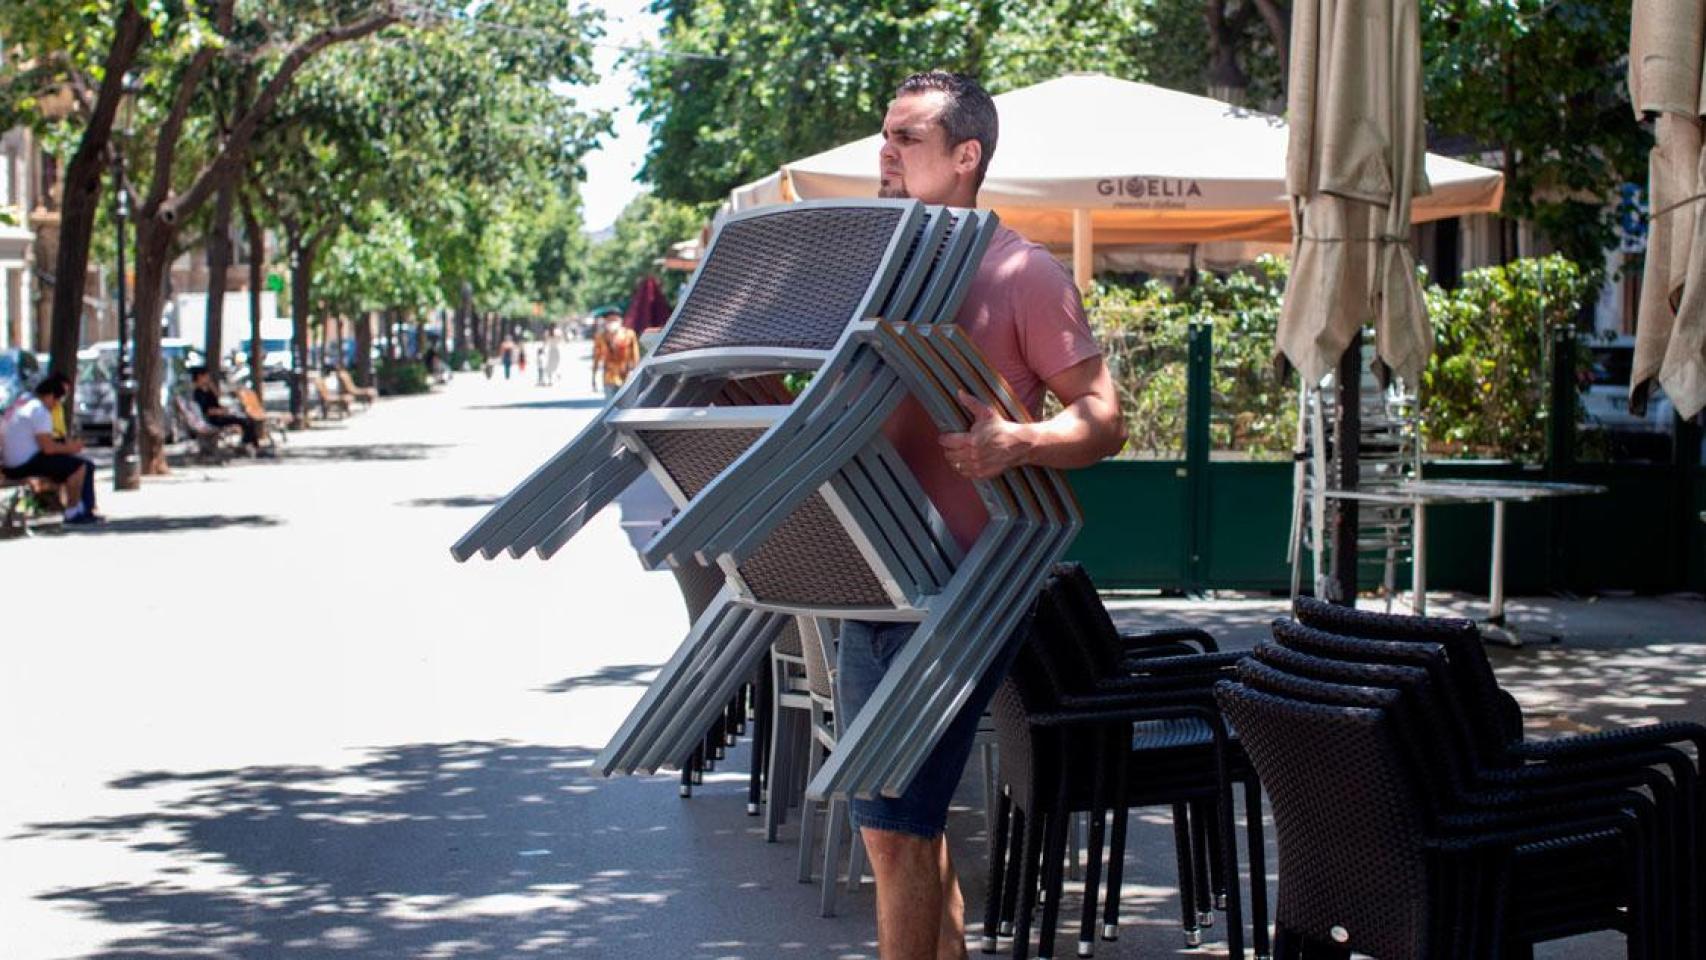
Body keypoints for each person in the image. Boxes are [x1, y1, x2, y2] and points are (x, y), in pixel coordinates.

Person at [841, 71, 1126, 960]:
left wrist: (1021, 440)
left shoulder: (1022, 273)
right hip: (872, 573)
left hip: (972, 588)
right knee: (898, 826)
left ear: (967, 158)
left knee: (893, 824)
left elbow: (1105, 418)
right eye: (883, 136)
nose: (885, 152)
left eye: (907, 139)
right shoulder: (875, 268)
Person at [1, 373, 102, 524]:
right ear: (50, 396)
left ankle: (84, 508)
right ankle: (74, 511)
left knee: (76, 464)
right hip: (25, 463)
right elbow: (48, 448)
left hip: (10, 463)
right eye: (57, 400)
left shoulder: (21, 402)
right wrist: (71, 448)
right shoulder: (39, 410)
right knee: (80, 466)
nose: (56, 405)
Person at [189, 367, 263, 454]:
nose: (208, 378)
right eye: (206, 376)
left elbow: (217, 397)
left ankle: (249, 444)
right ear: (200, 377)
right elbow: (206, 410)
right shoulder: (198, 393)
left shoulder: (207, 389)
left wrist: (211, 386)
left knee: (247, 418)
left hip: (219, 414)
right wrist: (223, 412)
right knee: (244, 421)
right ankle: (250, 446)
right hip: (213, 418)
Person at [591, 310, 640, 398]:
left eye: (614, 320)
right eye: (609, 320)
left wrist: (635, 373)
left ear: (620, 320)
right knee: (611, 406)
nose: (611, 322)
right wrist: (593, 378)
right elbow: (596, 358)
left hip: (627, 375)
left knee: (627, 405)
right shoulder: (600, 337)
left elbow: (635, 356)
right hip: (609, 377)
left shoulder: (629, 335)